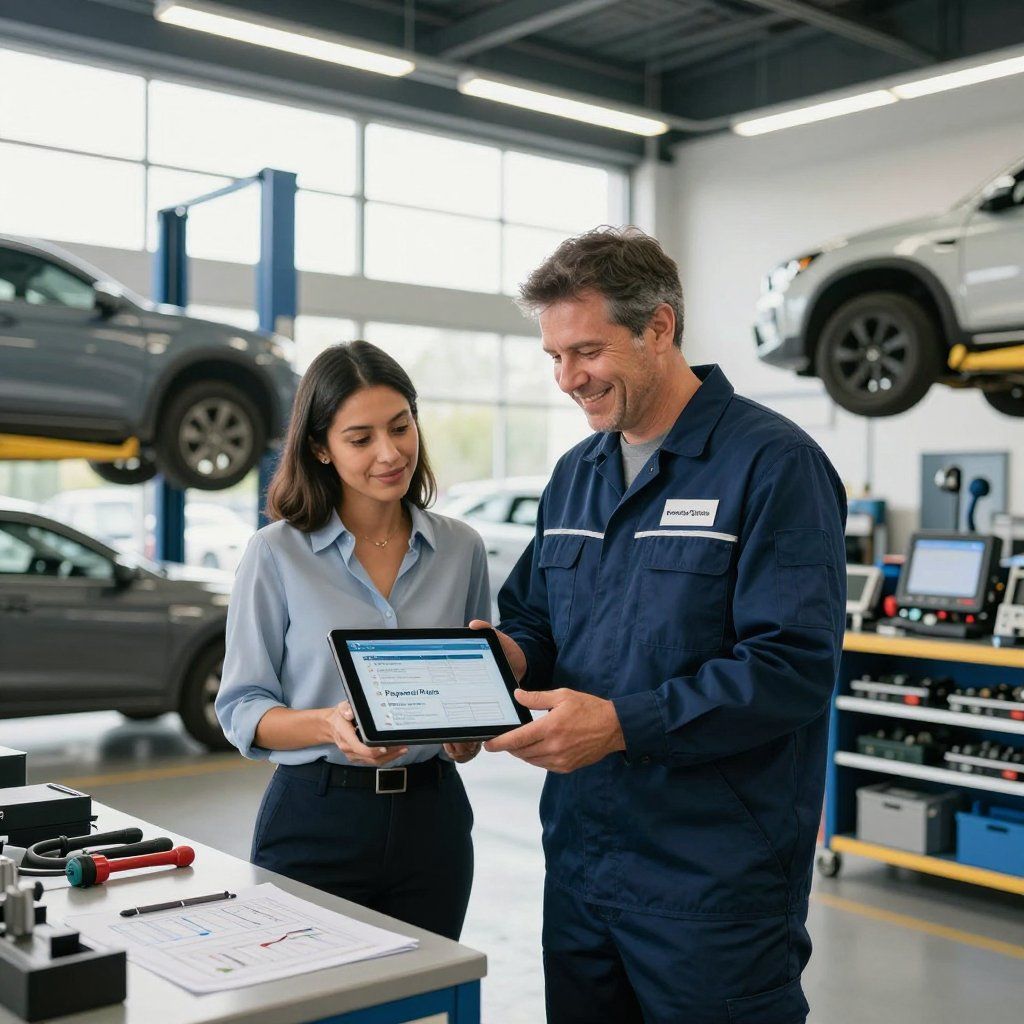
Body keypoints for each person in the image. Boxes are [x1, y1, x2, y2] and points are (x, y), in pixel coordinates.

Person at [477, 227, 846, 1023]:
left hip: (713, 884)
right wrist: (503, 656)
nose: (569, 379)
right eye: (554, 359)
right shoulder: (576, 475)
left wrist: (620, 726)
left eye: (587, 351)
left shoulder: (773, 464)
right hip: (580, 865)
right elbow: (538, 617)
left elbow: (791, 666)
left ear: (659, 328)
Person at [217, 341, 488, 942]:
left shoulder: (462, 548)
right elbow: (242, 709)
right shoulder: (275, 554)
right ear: (320, 447)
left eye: (401, 427)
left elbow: (471, 687)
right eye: (360, 438)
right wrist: (329, 725)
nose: (390, 454)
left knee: (425, 1002)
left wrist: (466, 736)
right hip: (317, 815)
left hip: (433, 820)